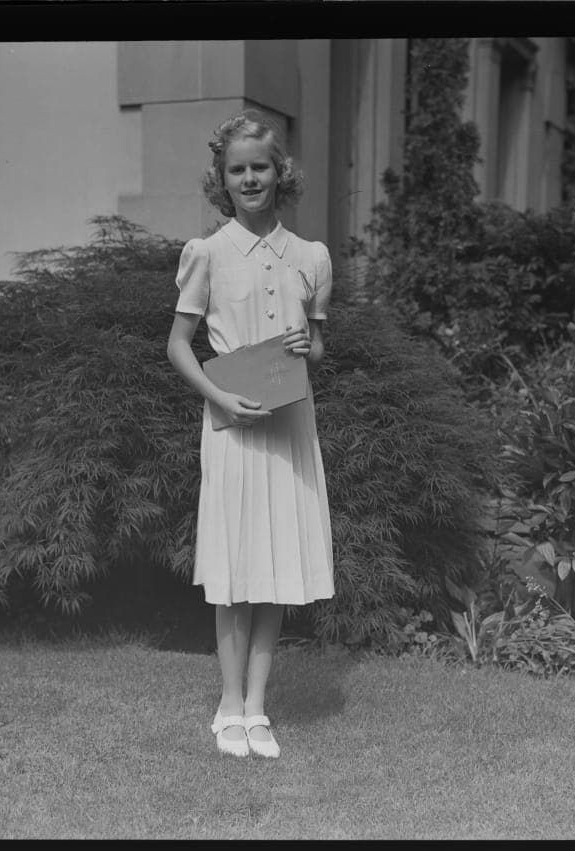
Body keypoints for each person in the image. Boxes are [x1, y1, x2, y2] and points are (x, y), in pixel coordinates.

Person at [166, 111, 334, 759]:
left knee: (275, 566)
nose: (249, 178)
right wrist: (217, 394)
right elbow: (178, 345)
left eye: (259, 166)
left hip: (290, 426)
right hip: (231, 425)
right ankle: (228, 704)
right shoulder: (206, 254)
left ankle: (258, 705)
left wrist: (307, 343)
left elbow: (314, 346)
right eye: (236, 169)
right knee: (237, 565)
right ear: (222, 179)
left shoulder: (311, 257)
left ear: (279, 171)